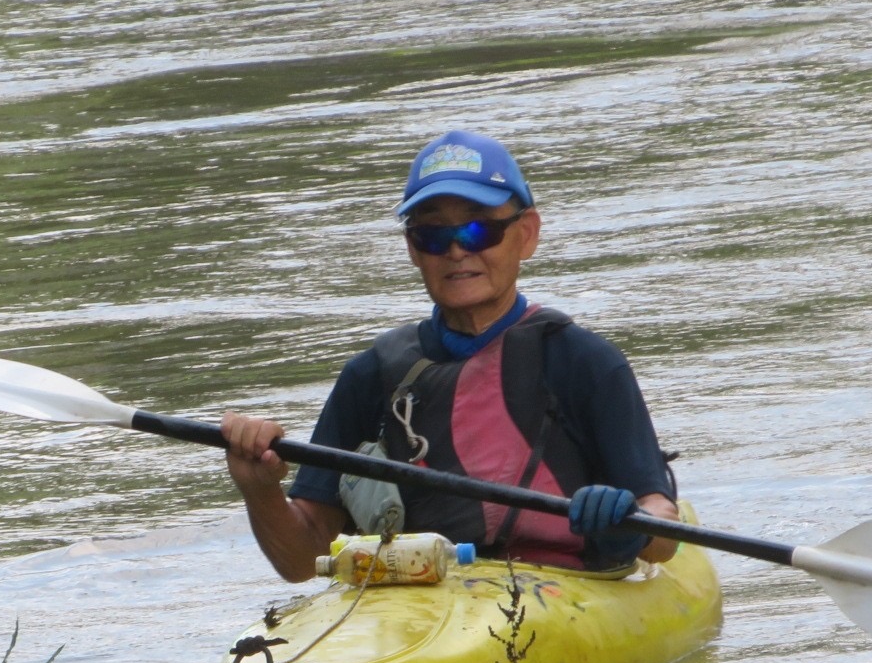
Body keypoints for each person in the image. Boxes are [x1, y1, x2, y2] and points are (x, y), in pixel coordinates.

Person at [221, 130, 682, 581]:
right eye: (433, 236)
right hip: (422, 596)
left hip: (569, 585)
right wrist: (260, 490)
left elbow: (663, 525)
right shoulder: (372, 375)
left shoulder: (584, 361)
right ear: (413, 251)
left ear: (526, 234)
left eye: (480, 229)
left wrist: (630, 525)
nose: (458, 250)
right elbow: (303, 561)